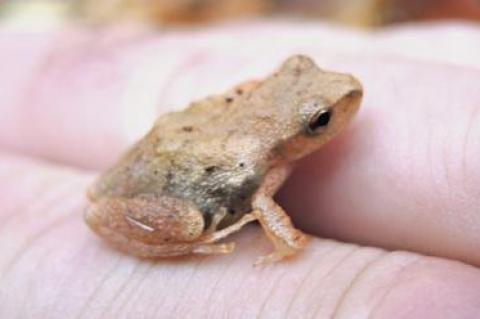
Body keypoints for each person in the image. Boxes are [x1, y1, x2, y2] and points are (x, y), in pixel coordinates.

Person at [0, 21, 479, 318]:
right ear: (295, 136)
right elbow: (261, 201)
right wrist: (291, 245)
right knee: (189, 222)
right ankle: (188, 234)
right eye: (320, 121)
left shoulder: (262, 118)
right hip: (175, 188)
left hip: (164, 149)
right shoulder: (268, 162)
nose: (345, 99)